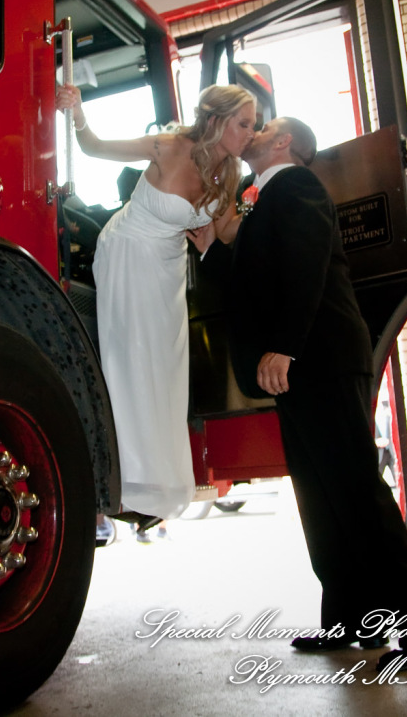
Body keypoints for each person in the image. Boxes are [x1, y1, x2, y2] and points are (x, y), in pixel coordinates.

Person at [220, 116, 407, 672]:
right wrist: (214, 248)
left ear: (284, 143)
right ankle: (351, 619)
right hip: (297, 367)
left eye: (264, 127)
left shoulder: (297, 185)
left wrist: (285, 345)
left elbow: (306, 269)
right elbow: (256, 281)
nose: (253, 131)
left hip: (318, 357)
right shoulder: (260, 199)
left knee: (352, 488)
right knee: (320, 497)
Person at [55, 83, 254, 521]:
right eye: (243, 124)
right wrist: (78, 112)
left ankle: (154, 478)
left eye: (253, 126)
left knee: (165, 368)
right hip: (126, 252)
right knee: (131, 359)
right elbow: (93, 147)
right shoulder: (166, 146)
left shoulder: (231, 176)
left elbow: (225, 232)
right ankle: (123, 474)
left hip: (169, 269)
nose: (249, 134)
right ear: (217, 120)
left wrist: (263, 216)